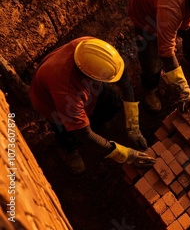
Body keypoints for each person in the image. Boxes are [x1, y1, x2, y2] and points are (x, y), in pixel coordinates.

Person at [30, 37, 156, 175]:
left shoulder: (95, 50)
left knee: (113, 103)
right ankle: (68, 150)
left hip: (84, 88)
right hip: (53, 106)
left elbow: (125, 84)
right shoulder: (67, 92)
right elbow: (85, 134)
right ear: (90, 77)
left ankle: (95, 122)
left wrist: (133, 127)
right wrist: (126, 155)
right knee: (68, 133)